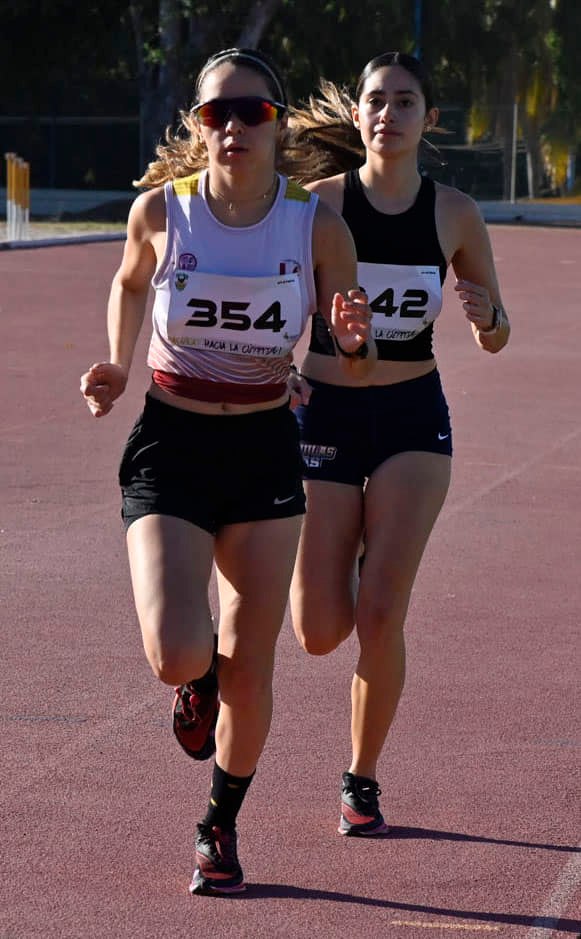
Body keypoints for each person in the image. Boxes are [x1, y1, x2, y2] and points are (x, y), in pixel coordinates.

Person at [80, 47, 374, 895]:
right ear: (197, 126)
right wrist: (115, 362)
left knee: (255, 665)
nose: (234, 127)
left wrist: (352, 342)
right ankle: (196, 679)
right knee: (177, 651)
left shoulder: (315, 227)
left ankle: (218, 824)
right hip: (171, 443)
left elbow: (349, 353)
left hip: (262, 453)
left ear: (276, 126)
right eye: (217, 114)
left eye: (252, 112)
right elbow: (130, 284)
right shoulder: (159, 214)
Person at [288, 52, 510, 837]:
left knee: (381, 611)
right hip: (323, 422)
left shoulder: (453, 214)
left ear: (429, 120)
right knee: (319, 631)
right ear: (357, 116)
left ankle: (361, 777)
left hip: (413, 420)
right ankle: (348, 551)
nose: (389, 113)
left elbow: (497, 335)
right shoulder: (314, 208)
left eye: (405, 101)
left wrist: (486, 316)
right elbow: (275, 312)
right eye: (375, 100)